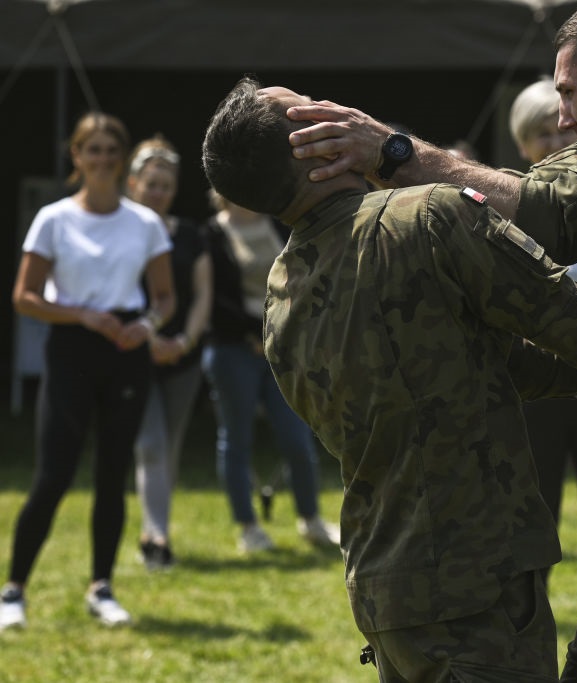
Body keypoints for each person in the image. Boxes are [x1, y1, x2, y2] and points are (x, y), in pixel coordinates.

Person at [202, 76, 577, 683]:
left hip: (387, 589)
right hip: (476, 589)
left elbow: (490, 364)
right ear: (319, 147)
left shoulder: (284, 291)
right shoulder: (427, 219)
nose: (335, 109)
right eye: (312, 111)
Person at [0, 112, 175, 630]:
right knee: (53, 475)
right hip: (72, 347)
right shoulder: (53, 218)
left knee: (112, 473)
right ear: (75, 156)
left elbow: (165, 298)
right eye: (90, 149)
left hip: (125, 349)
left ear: (122, 160)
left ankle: (102, 586)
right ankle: (14, 590)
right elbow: (24, 297)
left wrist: (146, 324)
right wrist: (80, 315)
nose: (100, 159)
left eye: (109, 150)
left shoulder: (144, 223)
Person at [508, 76, 577, 581]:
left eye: (560, 131)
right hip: (538, 386)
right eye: (540, 136)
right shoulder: (507, 207)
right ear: (521, 145)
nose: (555, 144)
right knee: (533, 518)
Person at [202, 190, 340, 553]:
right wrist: (253, 333)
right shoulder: (212, 234)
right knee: (236, 439)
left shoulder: (279, 224)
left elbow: (299, 278)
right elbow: (212, 297)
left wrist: (280, 333)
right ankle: (249, 528)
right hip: (234, 349)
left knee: (297, 437)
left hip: (283, 347)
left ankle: (311, 521)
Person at [124, 134, 212, 570]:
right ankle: (156, 538)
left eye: (166, 185)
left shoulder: (192, 235)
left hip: (183, 358)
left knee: (169, 447)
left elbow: (201, 295)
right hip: (135, 355)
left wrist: (185, 341)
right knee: (152, 445)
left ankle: (155, 526)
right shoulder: (119, 233)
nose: (158, 192)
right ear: (132, 184)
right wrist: (149, 338)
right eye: (151, 183)